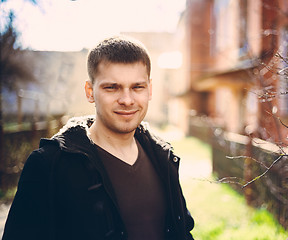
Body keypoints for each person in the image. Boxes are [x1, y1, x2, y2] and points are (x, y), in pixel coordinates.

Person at [2, 36, 194, 240]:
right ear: (90, 91)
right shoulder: (48, 165)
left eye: (137, 87)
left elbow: (182, 231)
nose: (127, 100)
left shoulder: (162, 156)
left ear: (150, 89)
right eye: (112, 87)